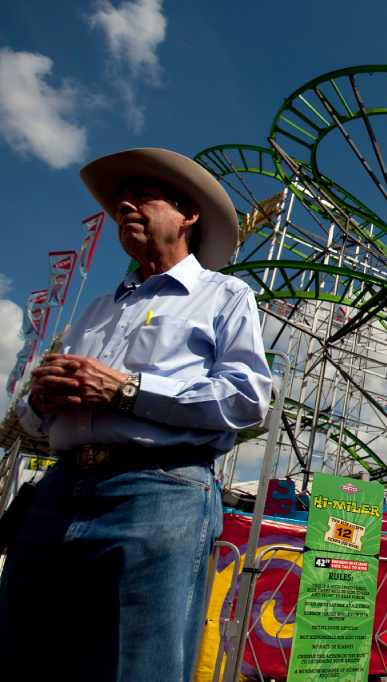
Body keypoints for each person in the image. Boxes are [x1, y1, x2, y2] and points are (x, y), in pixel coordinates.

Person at [0, 147, 273, 680]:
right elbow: (33, 426)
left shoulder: (224, 296)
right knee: (20, 652)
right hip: (61, 488)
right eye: (120, 201)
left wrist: (127, 391)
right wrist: (41, 401)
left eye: (143, 196)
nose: (125, 206)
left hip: (158, 493)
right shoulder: (100, 309)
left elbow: (246, 398)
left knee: (137, 664)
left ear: (187, 215)